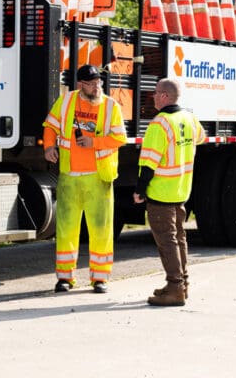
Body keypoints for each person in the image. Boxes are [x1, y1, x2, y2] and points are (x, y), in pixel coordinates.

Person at [43, 64, 126, 293]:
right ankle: (64, 278)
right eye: (91, 83)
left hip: (98, 176)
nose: (97, 86)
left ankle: (100, 279)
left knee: (101, 228)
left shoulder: (111, 106)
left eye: (99, 82)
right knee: (66, 229)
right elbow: (50, 126)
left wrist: (94, 143)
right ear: (81, 85)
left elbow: (120, 138)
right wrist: (49, 146)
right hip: (69, 176)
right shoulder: (67, 101)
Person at [133, 78, 206, 306]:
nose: (153, 96)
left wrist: (140, 190)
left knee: (167, 241)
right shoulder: (189, 118)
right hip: (181, 190)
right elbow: (201, 138)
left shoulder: (160, 123)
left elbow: (149, 163)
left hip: (161, 192)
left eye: (155, 93)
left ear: (164, 96)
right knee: (179, 238)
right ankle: (182, 284)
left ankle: (175, 288)